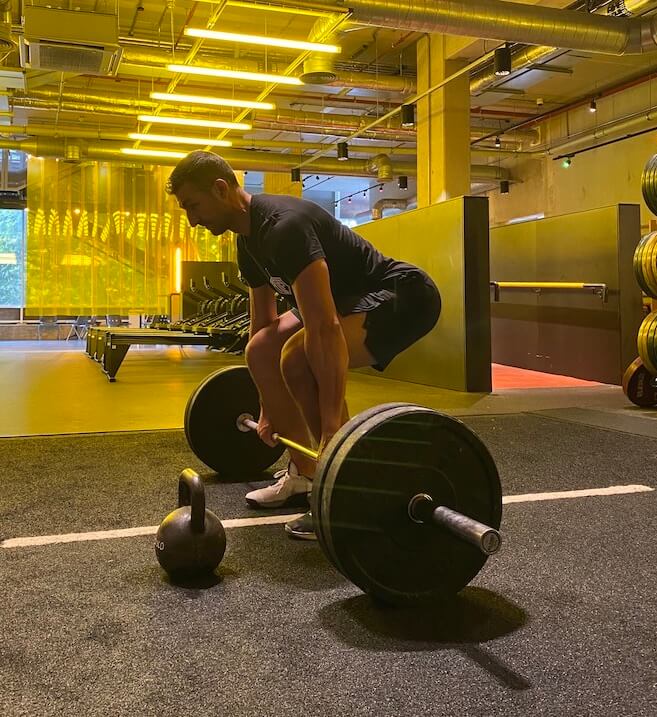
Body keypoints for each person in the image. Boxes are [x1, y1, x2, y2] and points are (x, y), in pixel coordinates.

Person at [167, 151, 441, 540]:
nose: (193, 219)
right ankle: (305, 474)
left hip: (403, 297)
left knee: (298, 356)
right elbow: (262, 324)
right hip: (351, 302)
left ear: (221, 189)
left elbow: (324, 327)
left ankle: (344, 490)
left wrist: (332, 429)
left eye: (193, 206)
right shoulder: (248, 242)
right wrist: (268, 404)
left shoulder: (284, 227)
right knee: (260, 348)